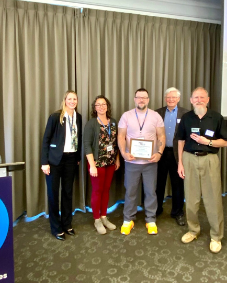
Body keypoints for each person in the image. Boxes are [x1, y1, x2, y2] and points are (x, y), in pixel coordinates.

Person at [177, 87, 227, 253]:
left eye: (202, 97)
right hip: (189, 158)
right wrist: (180, 162)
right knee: (191, 199)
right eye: (195, 97)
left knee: (213, 198)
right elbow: (180, 141)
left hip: (209, 159)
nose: (199, 100)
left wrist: (208, 142)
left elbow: (226, 142)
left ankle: (216, 236)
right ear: (191, 100)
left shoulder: (216, 117)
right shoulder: (186, 117)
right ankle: (193, 230)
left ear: (207, 100)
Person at [118, 88, 165, 236]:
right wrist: (124, 153)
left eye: (144, 98)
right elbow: (121, 136)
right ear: (134, 99)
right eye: (139, 97)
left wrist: (159, 153)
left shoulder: (156, 116)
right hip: (132, 162)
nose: (141, 100)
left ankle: (150, 219)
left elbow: (161, 136)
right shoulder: (126, 116)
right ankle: (128, 219)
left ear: (148, 100)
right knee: (130, 191)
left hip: (150, 162)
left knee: (151, 192)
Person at [41, 91, 82, 241]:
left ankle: (66, 224)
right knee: (53, 194)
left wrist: (77, 157)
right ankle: (56, 228)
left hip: (71, 159)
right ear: (64, 100)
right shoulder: (55, 117)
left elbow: (80, 137)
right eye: (69, 99)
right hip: (54, 160)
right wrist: (44, 162)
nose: (72, 101)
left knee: (68, 193)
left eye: (75, 99)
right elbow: (46, 140)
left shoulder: (78, 117)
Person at [84, 96, 120, 235]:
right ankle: (97, 219)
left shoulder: (114, 122)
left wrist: (117, 159)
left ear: (107, 106)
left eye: (103, 104)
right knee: (97, 191)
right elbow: (87, 145)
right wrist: (92, 165)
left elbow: (116, 143)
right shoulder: (91, 123)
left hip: (110, 162)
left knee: (106, 190)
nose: (101, 106)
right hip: (97, 163)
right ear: (94, 107)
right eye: (98, 104)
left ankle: (104, 217)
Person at [156, 88, 190, 226]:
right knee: (158, 183)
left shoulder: (186, 113)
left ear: (178, 99)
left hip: (178, 154)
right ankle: (157, 209)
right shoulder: (158, 113)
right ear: (165, 98)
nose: (171, 99)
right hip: (160, 153)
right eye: (168, 97)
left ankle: (178, 212)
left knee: (178, 184)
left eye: (173, 97)